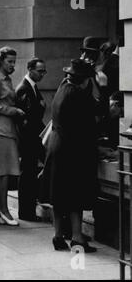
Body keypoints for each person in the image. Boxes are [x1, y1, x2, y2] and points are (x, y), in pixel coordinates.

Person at [42, 59, 99, 253]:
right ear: (84, 81)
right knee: (76, 195)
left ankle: (58, 236)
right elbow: (95, 117)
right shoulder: (79, 95)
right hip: (73, 150)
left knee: (59, 195)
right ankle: (77, 238)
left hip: (56, 147)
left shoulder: (62, 89)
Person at [0, 47, 25, 226]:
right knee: (3, 172)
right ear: (1, 61)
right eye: (9, 61)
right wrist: (14, 110)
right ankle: (3, 210)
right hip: (0, 129)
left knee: (6, 171)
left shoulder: (6, 79)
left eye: (14, 62)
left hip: (7, 129)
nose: (12, 65)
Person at [15, 58, 47, 221]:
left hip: (33, 138)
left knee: (30, 174)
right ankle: (26, 212)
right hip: (29, 140)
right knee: (27, 175)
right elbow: (27, 119)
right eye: (40, 71)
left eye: (44, 71)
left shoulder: (32, 87)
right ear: (30, 69)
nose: (42, 74)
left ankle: (29, 210)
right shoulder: (24, 88)